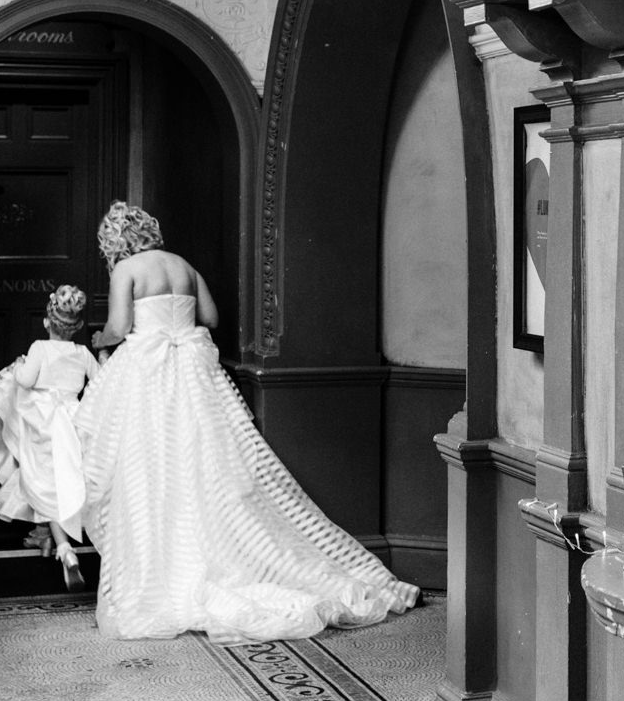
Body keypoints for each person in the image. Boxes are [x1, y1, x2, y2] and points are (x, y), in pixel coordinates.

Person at [74, 201, 419, 641]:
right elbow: (211, 319)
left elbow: (120, 327)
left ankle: (165, 560)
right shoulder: (183, 265)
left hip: (150, 375)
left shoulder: (127, 270)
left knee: (152, 465)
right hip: (194, 373)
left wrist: (99, 339)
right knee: (210, 462)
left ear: (114, 242)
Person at [0, 283, 102, 590]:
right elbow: (101, 385)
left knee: (44, 484)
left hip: (42, 424)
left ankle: (63, 549)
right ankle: (55, 541)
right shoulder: (83, 353)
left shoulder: (39, 348)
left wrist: (20, 367)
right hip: (71, 421)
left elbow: (25, 379)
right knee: (66, 481)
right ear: (79, 325)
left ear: (47, 321)